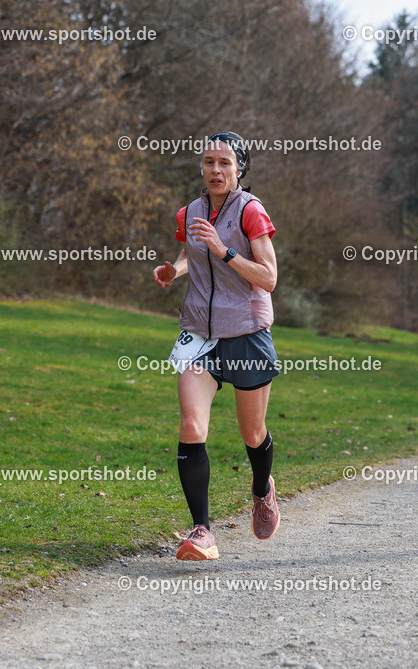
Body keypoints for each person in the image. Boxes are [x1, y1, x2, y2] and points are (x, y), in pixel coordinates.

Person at [153, 131, 280, 561]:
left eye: (224, 163)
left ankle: (262, 489)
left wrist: (224, 251)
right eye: (208, 162)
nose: (214, 170)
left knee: (252, 432)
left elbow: (268, 277)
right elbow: (194, 255)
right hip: (199, 335)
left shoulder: (251, 211)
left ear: (239, 168)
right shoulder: (189, 212)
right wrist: (175, 270)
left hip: (245, 333)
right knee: (191, 427)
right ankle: (202, 531)